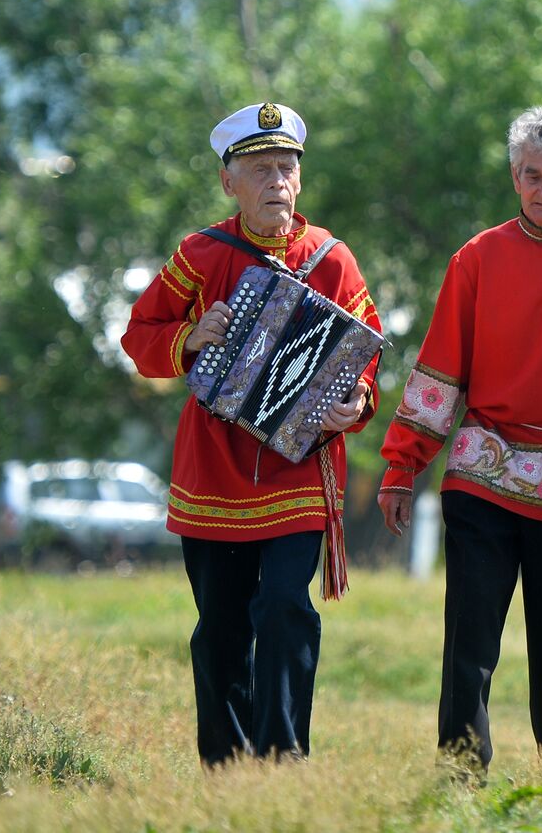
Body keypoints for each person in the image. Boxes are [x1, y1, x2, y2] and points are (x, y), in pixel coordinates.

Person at [377, 106, 542, 800]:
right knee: (470, 638)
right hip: (485, 467)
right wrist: (403, 465)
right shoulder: (476, 257)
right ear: (514, 176)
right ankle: (460, 776)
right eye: (532, 176)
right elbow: (441, 367)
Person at [122, 102, 381, 766]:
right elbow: (138, 336)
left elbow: (366, 352)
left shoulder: (331, 259)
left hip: (298, 474)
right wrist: (189, 337)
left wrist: (356, 400)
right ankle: (226, 765)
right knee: (221, 628)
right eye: (261, 169)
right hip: (212, 472)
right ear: (227, 180)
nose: (277, 183)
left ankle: (283, 757)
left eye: (287, 169)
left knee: (283, 608)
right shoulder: (201, 253)